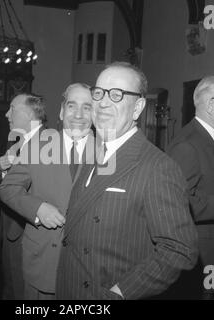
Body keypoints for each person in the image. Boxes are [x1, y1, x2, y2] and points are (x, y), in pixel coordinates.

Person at [56, 62, 198, 300]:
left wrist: (121, 293)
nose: (102, 103)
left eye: (117, 94)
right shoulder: (94, 152)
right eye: (98, 93)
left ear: (138, 107)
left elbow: (179, 250)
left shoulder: (157, 167)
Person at [0, 83, 93, 299]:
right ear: (61, 111)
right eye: (72, 106)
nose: (78, 114)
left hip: (87, 272)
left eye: (87, 107)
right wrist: (38, 208)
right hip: (43, 265)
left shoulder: (106, 152)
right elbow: (8, 187)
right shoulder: (37, 145)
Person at [167, 76, 214, 299]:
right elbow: (177, 202)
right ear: (212, 105)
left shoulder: (206, 137)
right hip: (202, 251)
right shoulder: (187, 143)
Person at [0, 93, 47, 300]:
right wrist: (2, 170)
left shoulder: (49, 144)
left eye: (12, 109)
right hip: (9, 231)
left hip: (30, 235)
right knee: (11, 288)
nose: (6, 114)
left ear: (28, 114)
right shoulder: (16, 142)